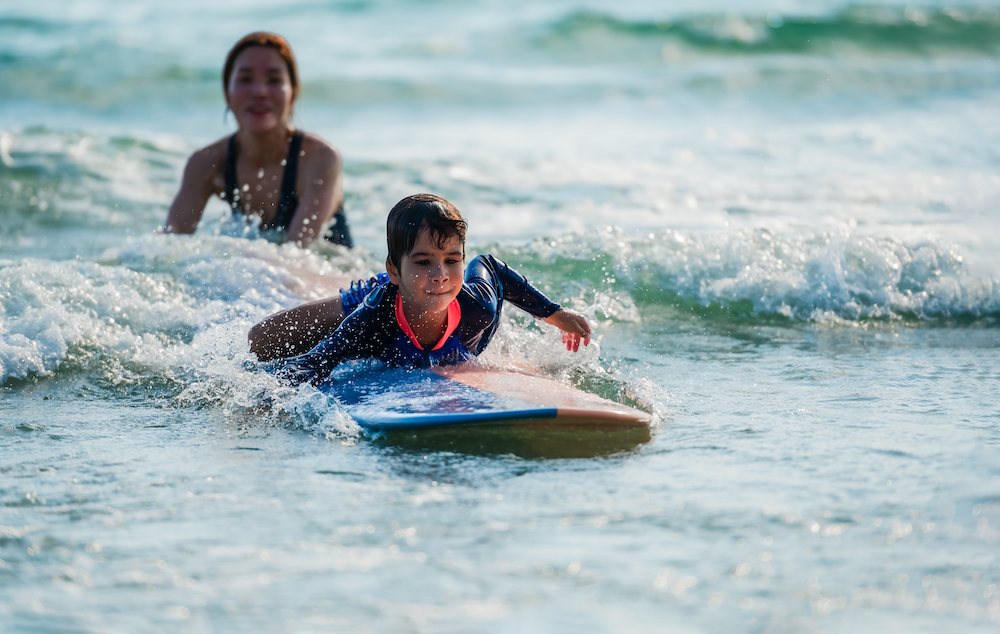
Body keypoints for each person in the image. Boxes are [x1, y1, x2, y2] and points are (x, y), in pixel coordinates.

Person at [266, 194, 591, 385]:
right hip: (380, 295)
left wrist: (554, 314)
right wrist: (270, 393)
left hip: (404, 288)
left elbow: (491, 266)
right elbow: (318, 360)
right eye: (424, 262)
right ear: (394, 268)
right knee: (261, 340)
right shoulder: (373, 319)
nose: (440, 275)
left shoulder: (477, 307)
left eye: (452, 260)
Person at [162, 32, 353, 247]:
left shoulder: (319, 159)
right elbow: (166, 245)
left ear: (293, 94)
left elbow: (296, 255)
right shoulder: (206, 163)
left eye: (274, 80)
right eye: (245, 79)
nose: (260, 91)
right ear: (227, 94)